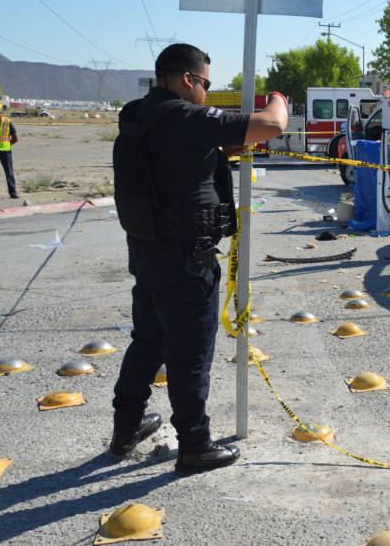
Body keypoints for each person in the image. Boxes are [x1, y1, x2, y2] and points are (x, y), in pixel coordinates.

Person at [109, 43, 288, 475]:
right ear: (188, 79)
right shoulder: (185, 116)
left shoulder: (138, 114)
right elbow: (271, 125)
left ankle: (126, 428)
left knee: (148, 340)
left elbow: (169, 162)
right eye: (206, 83)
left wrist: (213, 154)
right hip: (187, 257)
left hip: (148, 251)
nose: (207, 92)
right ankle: (195, 445)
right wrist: (279, 98)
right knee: (190, 351)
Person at [0, 101, 20, 199]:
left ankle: (13, 193)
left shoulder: (7, 122)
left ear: (1, 113)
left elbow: (15, 138)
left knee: (9, 172)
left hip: (5, 152)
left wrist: (7, 145)